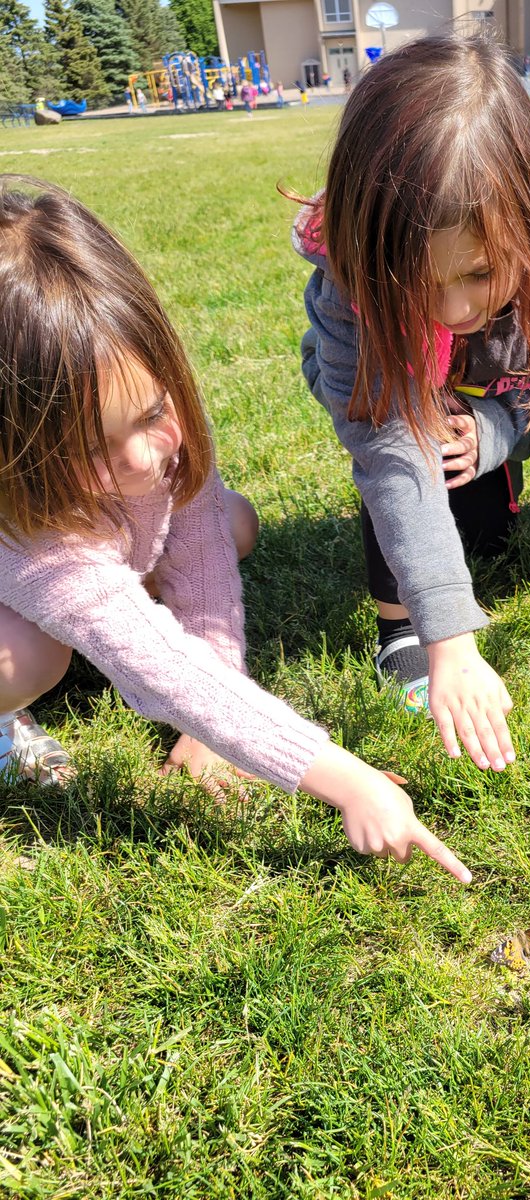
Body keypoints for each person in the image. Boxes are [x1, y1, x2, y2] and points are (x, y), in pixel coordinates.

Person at [0, 175, 470, 885]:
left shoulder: (163, 432)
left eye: (154, 411)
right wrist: (350, 782)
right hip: (28, 609)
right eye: (91, 449)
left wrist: (209, 716)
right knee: (30, 658)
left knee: (232, 520)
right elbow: (158, 663)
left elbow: (207, 577)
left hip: (109, 566)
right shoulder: (36, 534)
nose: (145, 456)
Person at [294, 34, 530, 770]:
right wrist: (445, 635)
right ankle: (398, 630)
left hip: (487, 394)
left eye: (481, 273)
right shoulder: (351, 293)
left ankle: (473, 471)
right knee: (405, 478)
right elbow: (390, 451)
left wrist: (495, 432)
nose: (453, 308)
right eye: (419, 279)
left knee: (478, 529)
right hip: (379, 391)